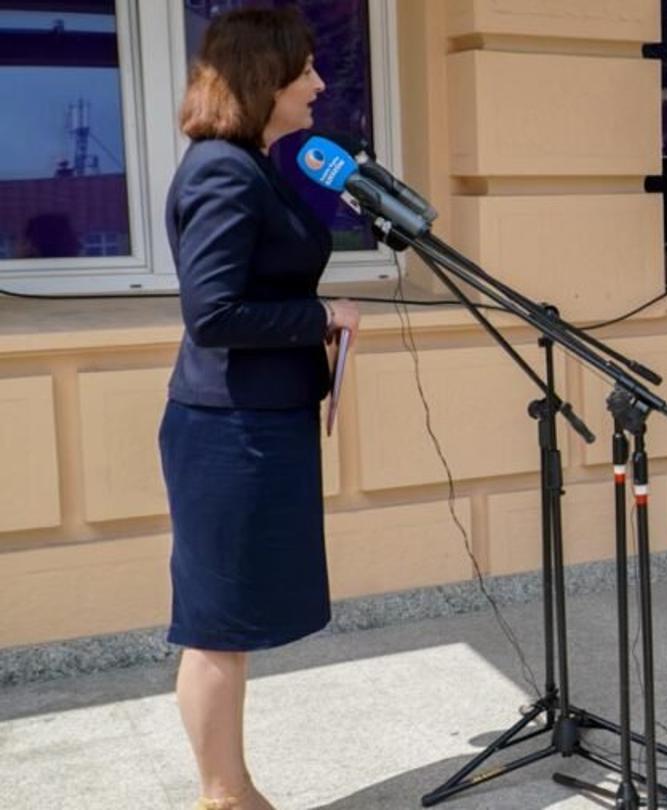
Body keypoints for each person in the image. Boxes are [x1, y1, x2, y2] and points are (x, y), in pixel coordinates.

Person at [160, 8, 357, 810]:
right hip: (228, 432)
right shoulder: (223, 171)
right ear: (262, 78)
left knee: (230, 622)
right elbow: (213, 314)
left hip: (259, 421)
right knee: (218, 625)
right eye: (303, 70)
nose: (319, 84)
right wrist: (321, 316)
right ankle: (224, 796)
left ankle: (231, 789)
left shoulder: (256, 165)